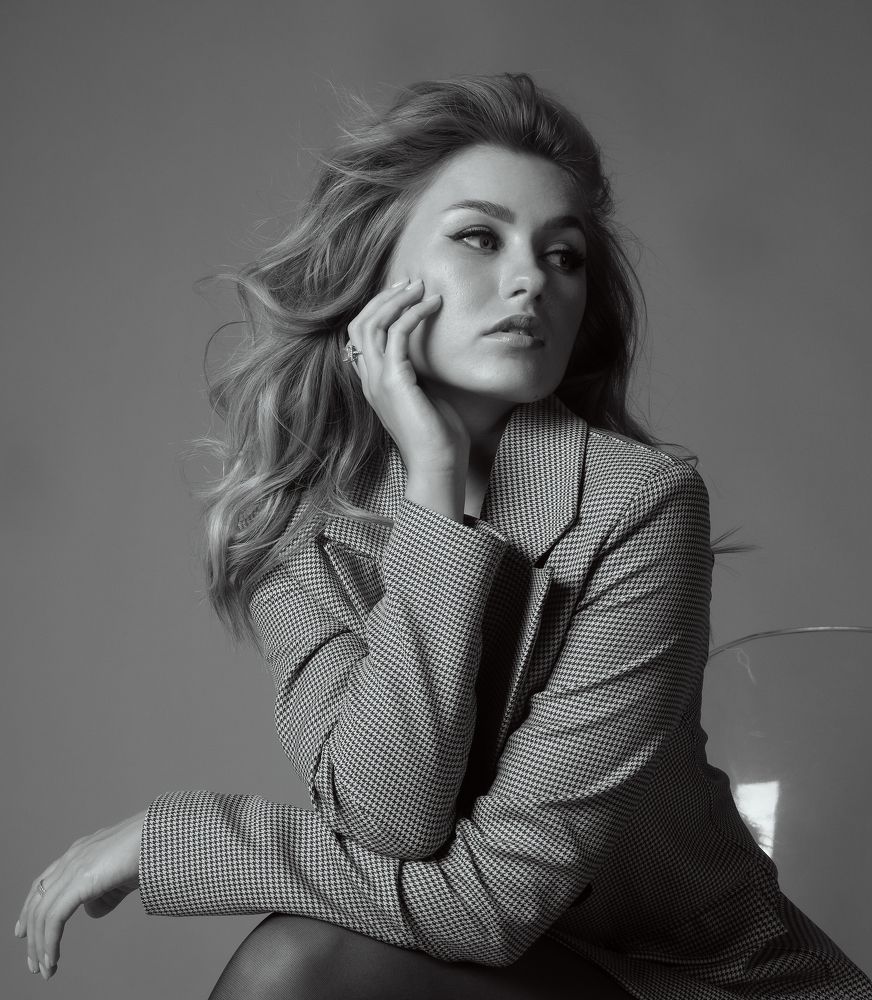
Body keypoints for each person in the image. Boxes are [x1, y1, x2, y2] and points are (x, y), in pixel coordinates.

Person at [14, 72, 872, 1000]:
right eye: (479, 237)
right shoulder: (301, 530)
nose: (530, 280)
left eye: (564, 256)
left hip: (692, 984)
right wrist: (433, 484)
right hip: (478, 972)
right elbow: (393, 822)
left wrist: (176, 842)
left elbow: (495, 901)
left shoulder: (639, 505)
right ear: (378, 272)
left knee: (295, 967)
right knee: (303, 963)